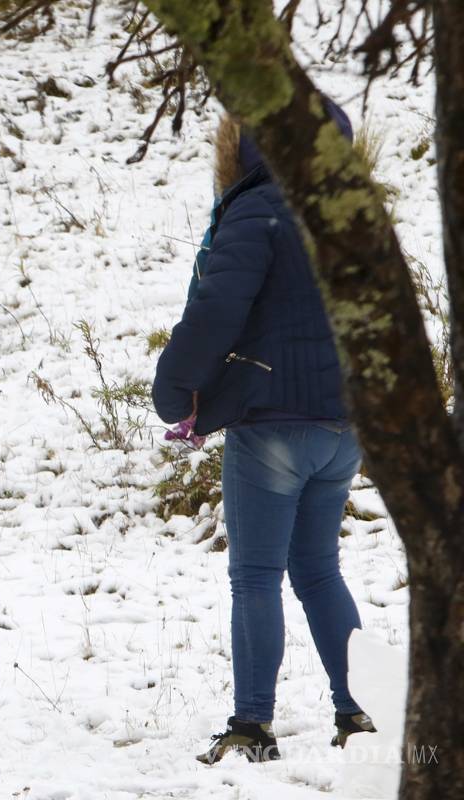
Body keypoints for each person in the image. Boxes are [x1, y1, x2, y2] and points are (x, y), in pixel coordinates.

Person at [152, 101, 377, 763]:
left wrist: (175, 389)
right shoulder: (355, 213)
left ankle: (252, 725)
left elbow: (217, 309)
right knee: (319, 571)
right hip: (345, 424)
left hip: (273, 423)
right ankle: (358, 711)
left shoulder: (257, 210)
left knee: (254, 576)